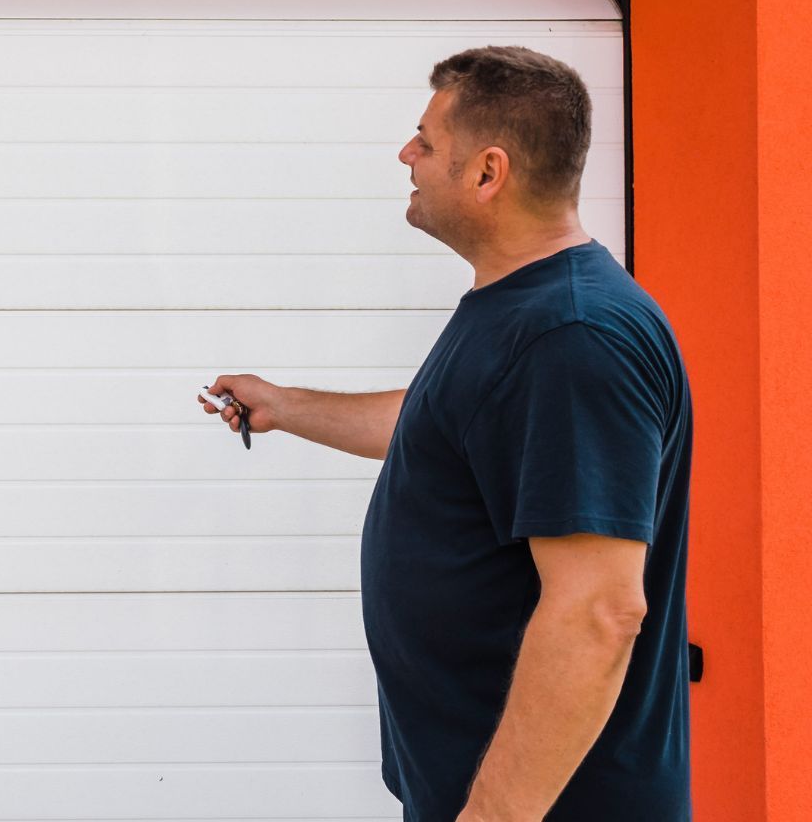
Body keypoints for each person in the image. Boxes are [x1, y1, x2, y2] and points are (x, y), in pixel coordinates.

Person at [198, 46, 692, 821]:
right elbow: (441, 424)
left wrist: (494, 813)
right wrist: (285, 406)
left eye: (426, 141)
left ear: (487, 172)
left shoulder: (572, 335)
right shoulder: (522, 312)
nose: (407, 154)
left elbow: (600, 610)